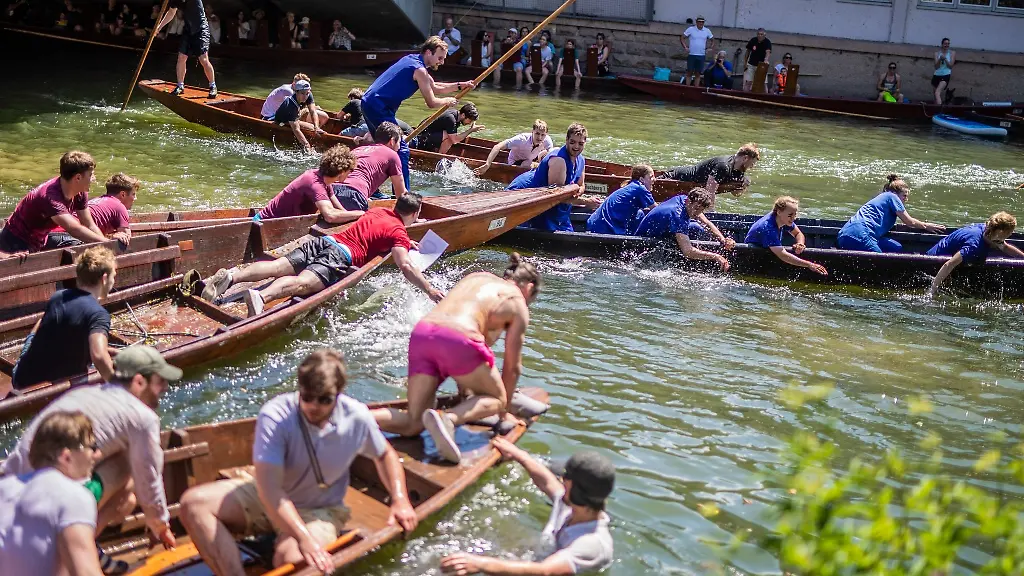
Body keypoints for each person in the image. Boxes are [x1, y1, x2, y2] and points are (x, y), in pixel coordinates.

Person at [177, 349, 419, 576]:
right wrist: (304, 537)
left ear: (339, 393)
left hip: (319, 509)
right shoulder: (277, 415)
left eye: (324, 399)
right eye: (307, 397)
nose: (313, 406)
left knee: (290, 559)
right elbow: (269, 489)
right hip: (269, 496)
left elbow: (384, 455)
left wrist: (400, 499)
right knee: (194, 504)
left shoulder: (356, 417)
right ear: (300, 390)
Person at [3, 346, 182, 566]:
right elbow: (148, 474)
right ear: (138, 382)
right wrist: (161, 526)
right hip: (48, 495)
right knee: (128, 469)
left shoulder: (85, 392)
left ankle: (85, 543)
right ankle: (74, 547)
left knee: (127, 496)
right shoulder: (142, 416)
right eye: (159, 382)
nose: (164, 388)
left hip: (13, 484)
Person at [372, 254, 540, 463]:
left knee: (413, 423)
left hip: (423, 333)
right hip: (460, 338)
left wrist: (465, 394)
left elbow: (464, 351)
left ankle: (351, 415)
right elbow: (512, 367)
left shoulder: (476, 277)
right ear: (530, 288)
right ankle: (448, 419)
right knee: (498, 398)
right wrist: (503, 413)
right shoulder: (517, 303)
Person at [202, 193, 443, 316]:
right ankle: (262, 297)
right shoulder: (398, 232)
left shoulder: (377, 211)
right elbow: (406, 266)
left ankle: (232, 277)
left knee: (278, 266)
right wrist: (429, 289)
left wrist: (403, 240)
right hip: (341, 256)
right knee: (303, 282)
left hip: (325, 241)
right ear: (415, 212)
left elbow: (381, 234)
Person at [441, 441, 614, 575]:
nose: (560, 480)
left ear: (574, 491)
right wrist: (520, 455)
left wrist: (481, 564)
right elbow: (547, 482)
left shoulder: (591, 544)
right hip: (539, 558)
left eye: (565, 479)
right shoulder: (572, 506)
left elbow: (545, 572)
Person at [360, 36, 472, 193]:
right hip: (379, 107)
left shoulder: (411, 60)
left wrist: (461, 85)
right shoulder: (419, 70)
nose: (442, 61)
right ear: (428, 52)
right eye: (439, 58)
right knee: (401, 150)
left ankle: (373, 190)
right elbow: (431, 102)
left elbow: (434, 86)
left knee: (382, 149)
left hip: (368, 102)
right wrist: (448, 101)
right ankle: (402, 197)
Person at [0, 411, 104, 576]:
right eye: (92, 447)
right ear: (66, 457)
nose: (97, 455)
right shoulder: (73, 496)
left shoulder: (4, 488)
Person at [5, 247, 116, 398]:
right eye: (113, 276)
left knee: (40, 324)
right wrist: (120, 391)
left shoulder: (58, 296)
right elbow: (99, 356)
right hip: (49, 390)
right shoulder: (99, 314)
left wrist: (114, 352)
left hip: (22, 379)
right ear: (104, 278)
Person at [0, 151, 107, 254]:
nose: (94, 179)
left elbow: (89, 224)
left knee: (78, 245)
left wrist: (108, 245)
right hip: (14, 242)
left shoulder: (80, 191)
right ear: (78, 178)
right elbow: (75, 229)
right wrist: (106, 244)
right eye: (91, 175)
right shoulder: (50, 197)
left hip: (40, 239)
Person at [508, 122, 597, 232]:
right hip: (525, 197)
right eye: (572, 142)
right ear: (566, 140)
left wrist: (577, 192)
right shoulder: (559, 161)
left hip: (554, 204)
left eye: (580, 143)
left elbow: (581, 185)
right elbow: (556, 197)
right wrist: (586, 202)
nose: (576, 147)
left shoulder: (581, 160)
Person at [837, 174, 945, 253]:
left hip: (844, 234)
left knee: (896, 247)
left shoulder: (881, 198)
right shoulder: (892, 196)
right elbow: (909, 221)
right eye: (904, 196)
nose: (906, 199)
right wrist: (926, 226)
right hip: (860, 235)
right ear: (895, 193)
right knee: (882, 261)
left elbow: (877, 220)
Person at [254, 145, 360, 223]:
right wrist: (361, 214)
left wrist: (354, 218)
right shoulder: (315, 183)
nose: (351, 173)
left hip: (280, 224)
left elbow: (338, 209)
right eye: (350, 170)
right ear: (342, 172)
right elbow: (330, 215)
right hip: (264, 223)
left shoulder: (325, 181)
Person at [927, 212, 1022, 296]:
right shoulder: (974, 246)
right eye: (1010, 232)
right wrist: (932, 291)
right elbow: (949, 264)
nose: (1011, 234)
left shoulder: (989, 230)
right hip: (935, 264)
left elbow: (1004, 247)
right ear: (1000, 232)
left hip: (949, 261)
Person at [636, 187, 731, 271]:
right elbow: (688, 251)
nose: (697, 213)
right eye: (696, 208)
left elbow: (706, 223)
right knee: (694, 230)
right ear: (688, 201)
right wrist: (716, 256)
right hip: (644, 242)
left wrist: (723, 239)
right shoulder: (678, 216)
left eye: (701, 210)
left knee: (697, 227)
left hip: (664, 231)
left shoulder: (685, 199)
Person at [332, 122, 406, 212]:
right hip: (353, 193)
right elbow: (400, 194)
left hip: (331, 190)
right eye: (399, 142)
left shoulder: (358, 149)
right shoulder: (392, 155)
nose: (399, 147)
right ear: (392, 141)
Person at [744, 196, 828, 275]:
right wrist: (810, 265)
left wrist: (800, 243)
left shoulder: (783, 219)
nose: (793, 218)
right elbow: (783, 255)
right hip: (753, 257)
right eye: (790, 215)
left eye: (795, 214)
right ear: (779, 212)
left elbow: (798, 233)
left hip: (771, 250)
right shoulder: (768, 227)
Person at [154, 0, 217, 98]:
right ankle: (180, 85)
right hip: (188, 30)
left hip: (201, 29)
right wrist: (159, 27)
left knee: (203, 59)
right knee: (181, 58)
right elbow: (171, 13)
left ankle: (213, 86)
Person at [661, 143, 759, 197]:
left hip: (689, 187)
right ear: (745, 158)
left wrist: (743, 186)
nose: (752, 166)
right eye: (752, 163)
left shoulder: (739, 170)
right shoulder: (723, 166)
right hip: (675, 177)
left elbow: (736, 194)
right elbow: (709, 193)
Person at [586, 164, 657, 236]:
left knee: (639, 214)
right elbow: (657, 210)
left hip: (594, 223)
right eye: (651, 177)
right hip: (603, 229)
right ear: (642, 179)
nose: (655, 179)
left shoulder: (631, 186)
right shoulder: (640, 188)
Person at [261, 75, 327, 151]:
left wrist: (317, 127)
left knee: (316, 124)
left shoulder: (308, 94)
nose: (305, 96)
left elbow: (312, 111)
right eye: (302, 93)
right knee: (310, 128)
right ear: (296, 92)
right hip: (279, 121)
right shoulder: (290, 104)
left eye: (307, 93)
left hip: (293, 117)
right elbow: (296, 129)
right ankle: (307, 142)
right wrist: (307, 146)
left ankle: (310, 138)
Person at [475, 119, 554, 176]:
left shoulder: (547, 140)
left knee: (552, 152)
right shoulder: (521, 139)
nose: (540, 137)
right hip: (515, 162)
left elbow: (552, 153)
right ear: (532, 131)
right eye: (537, 133)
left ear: (546, 134)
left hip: (531, 160)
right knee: (528, 164)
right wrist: (487, 164)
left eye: (543, 135)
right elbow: (497, 147)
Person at [411, 102, 483, 155]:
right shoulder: (451, 119)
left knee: (450, 135)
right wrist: (470, 130)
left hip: (428, 136)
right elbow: (454, 140)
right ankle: (438, 158)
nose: (470, 123)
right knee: (450, 138)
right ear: (463, 115)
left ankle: (436, 153)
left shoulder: (456, 116)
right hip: (421, 139)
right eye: (470, 120)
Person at [681, 16, 714, 86]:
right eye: (699, 21)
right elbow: (682, 38)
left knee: (698, 73)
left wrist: (709, 48)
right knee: (689, 71)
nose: (701, 23)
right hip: (692, 54)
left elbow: (713, 40)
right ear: (696, 22)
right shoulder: (691, 29)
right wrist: (685, 47)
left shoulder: (707, 30)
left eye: (702, 22)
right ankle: (687, 87)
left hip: (701, 55)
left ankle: (696, 88)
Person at [933, 37, 955, 105]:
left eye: (948, 44)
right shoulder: (937, 53)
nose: (947, 45)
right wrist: (940, 59)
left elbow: (950, 66)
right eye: (945, 44)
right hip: (936, 74)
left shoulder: (952, 53)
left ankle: (940, 111)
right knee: (935, 95)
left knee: (937, 92)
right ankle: (935, 110)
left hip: (945, 75)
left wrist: (945, 59)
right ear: (942, 44)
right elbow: (936, 67)